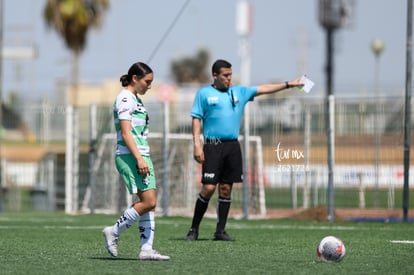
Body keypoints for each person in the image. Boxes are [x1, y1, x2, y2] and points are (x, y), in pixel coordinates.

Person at [185, 59, 303, 241]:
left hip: (232, 146)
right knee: (208, 188)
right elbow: (196, 119)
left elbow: (264, 88)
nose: (228, 78)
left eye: (230, 74)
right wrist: (197, 144)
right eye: (225, 75)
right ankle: (193, 229)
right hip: (213, 145)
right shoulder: (204, 94)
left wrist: (289, 84)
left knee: (225, 189)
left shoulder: (239, 91)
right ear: (215, 76)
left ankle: (220, 231)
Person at [102, 62, 170, 260]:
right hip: (131, 156)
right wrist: (139, 158)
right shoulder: (125, 98)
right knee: (149, 201)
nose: (149, 86)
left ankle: (146, 250)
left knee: (148, 203)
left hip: (141, 156)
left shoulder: (135, 99)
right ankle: (113, 231)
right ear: (135, 78)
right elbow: (125, 132)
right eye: (147, 81)